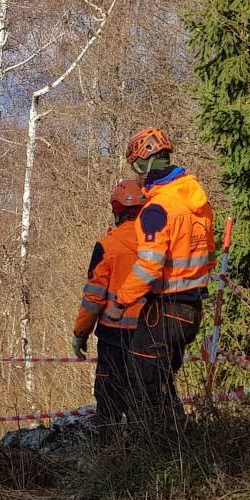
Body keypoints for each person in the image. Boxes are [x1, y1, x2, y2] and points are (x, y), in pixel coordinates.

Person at [111, 128, 215, 429]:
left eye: (136, 167)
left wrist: (121, 301)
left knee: (141, 382)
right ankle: (178, 440)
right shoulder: (197, 202)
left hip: (166, 309)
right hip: (192, 309)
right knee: (162, 381)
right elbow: (208, 255)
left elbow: (149, 266)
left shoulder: (156, 209)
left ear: (143, 164)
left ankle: (154, 448)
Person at [72, 179, 147, 434]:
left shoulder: (106, 246)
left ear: (117, 211)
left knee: (109, 400)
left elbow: (93, 297)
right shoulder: (158, 245)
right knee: (145, 396)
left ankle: (109, 451)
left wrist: (80, 333)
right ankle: (148, 448)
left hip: (113, 336)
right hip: (150, 333)